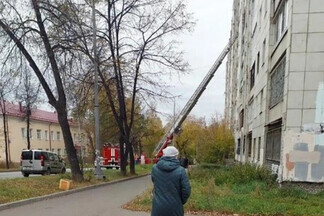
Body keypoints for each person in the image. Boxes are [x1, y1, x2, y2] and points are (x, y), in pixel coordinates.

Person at [151, 146, 191, 216]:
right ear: (175, 156)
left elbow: (154, 182)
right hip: (175, 208)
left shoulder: (155, 168)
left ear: (164, 155)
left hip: (158, 208)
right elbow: (186, 190)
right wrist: (180, 201)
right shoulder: (181, 170)